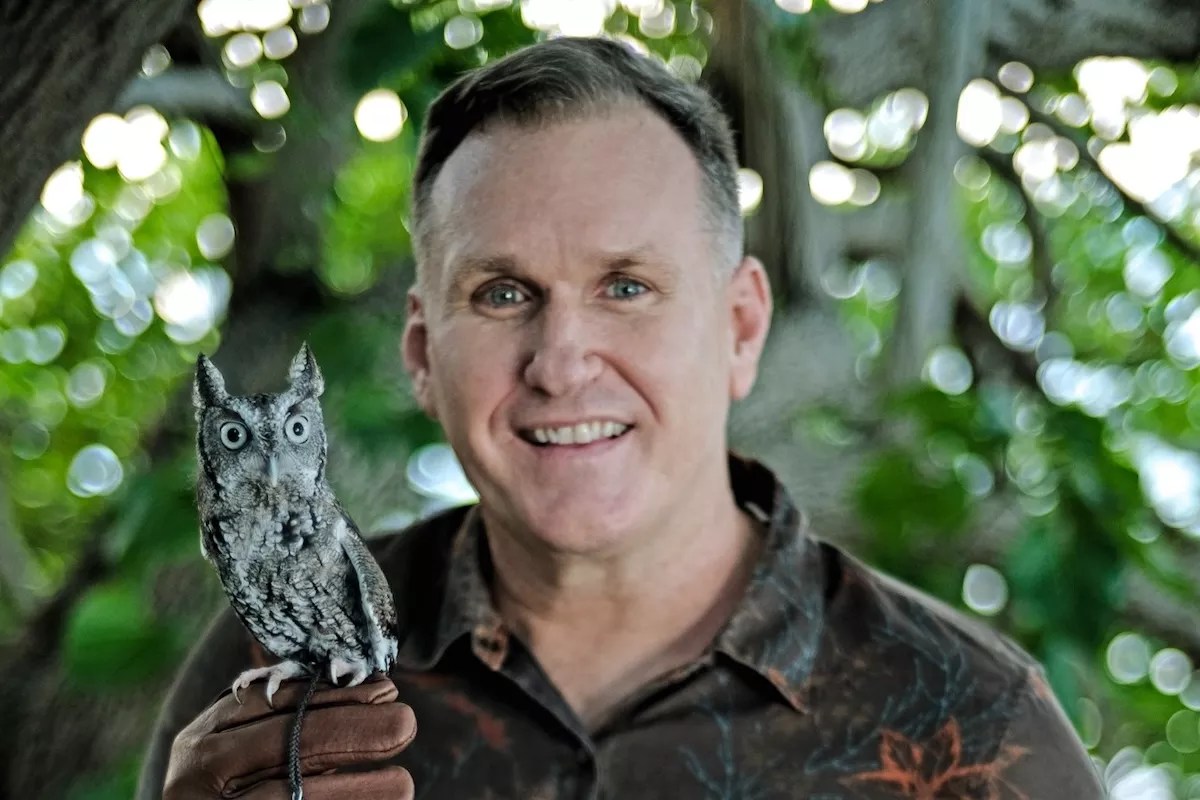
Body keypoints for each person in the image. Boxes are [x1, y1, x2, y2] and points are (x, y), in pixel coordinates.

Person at [138, 36, 1105, 799]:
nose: (561, 363)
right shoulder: (263, 664)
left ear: (739, 327)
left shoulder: (973, 725)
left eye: (627, 286)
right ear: (424, 354)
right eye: (505, 294)